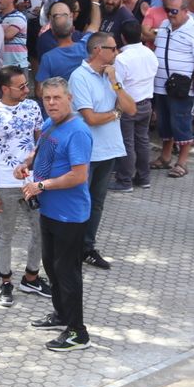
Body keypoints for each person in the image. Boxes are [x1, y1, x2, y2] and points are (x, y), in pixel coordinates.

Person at [20, 77, 93, 352]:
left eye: (57, 98)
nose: (51, 103)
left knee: (68, 272)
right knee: (51, 266)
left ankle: (78, 333)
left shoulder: (78, 132)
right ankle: (61, 314)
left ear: (69, 98)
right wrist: (26, 164)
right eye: (47, 98)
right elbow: (39, 151)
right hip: (49, 210)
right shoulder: (51, 123)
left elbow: (78, 175)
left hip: (70, 215)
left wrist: (41, 185)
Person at [0, 66, 50, 307]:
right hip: (6, 184)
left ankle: (31, 277)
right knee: (5, 234)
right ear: (5, 89)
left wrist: (44, 177)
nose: (27, 90)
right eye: (21, 86)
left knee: (40, 231)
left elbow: (42, 142)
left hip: (33, 183)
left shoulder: (32, 107)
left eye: (26, 85)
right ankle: (5, 282)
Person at [69, 32, 133, 270]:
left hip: (109, 150)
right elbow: (91, 118)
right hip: (87, 152)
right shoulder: (79, 77)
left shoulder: (111, 75)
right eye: (113, 48)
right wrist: (115, 114)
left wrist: (115, 83)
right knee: (80, 202)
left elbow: (131, 108)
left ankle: (87, 248)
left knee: (97, 203)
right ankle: (72, 248)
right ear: (98, 50)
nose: (117, 53)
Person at [150, 0, 194, 177]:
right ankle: (166, 157)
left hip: (182, 87)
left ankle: (182, 162)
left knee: (181, 122)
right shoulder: (165, 26)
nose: (170, 15)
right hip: (161, 84)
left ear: (185, 10)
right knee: (164, 122)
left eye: (174, 11)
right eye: (168, 11)